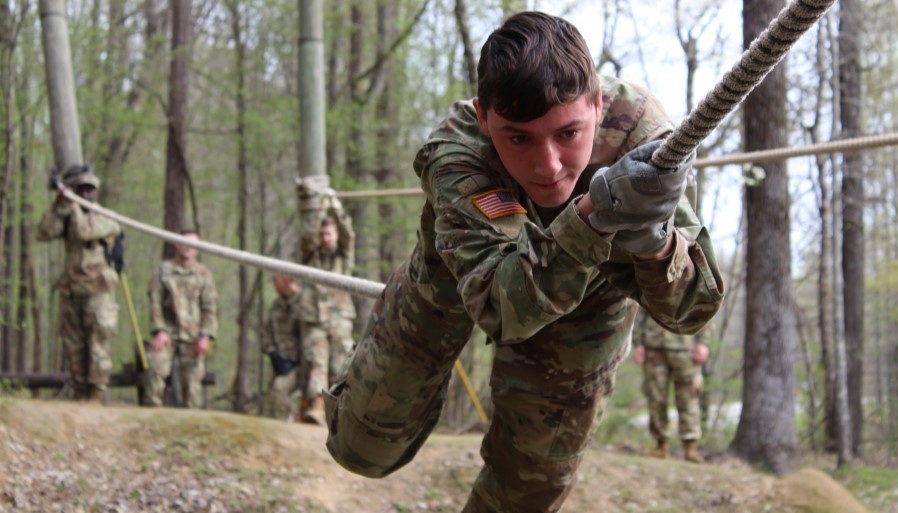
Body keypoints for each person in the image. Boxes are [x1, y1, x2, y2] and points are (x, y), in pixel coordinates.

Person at [323, 11, 724, 513]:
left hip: (592, 300)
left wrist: (655, 244)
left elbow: (692, 310)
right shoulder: (459, 152)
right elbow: (499, 306)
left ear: (598, 105)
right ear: (485, 117)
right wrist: (594, 216)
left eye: (569, 133)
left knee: (529, 490)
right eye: (519, 138)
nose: (549, 164)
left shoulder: (642, 138)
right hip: (458, 276)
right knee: (362, 451)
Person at [37, 167, 123, 403]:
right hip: (72, 289)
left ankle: (95, 396)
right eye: (80, 190)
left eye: (89, 190)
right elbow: (43, 233)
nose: (85, 195)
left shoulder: (108, 218)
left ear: (96, 192)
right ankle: (80, 395)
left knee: (98, 346)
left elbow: (85, 232)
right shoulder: (67, 216)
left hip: (99, 291)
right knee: (74, 345)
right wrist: (58, 204)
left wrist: (72, 204)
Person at [143, 230, 218, 408]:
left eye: (193, 245)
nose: (188, 248)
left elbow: (210, 308)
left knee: (193, 387)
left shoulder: (204, 274)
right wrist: (159, 330)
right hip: (167, 333)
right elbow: (155, 302)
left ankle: (191, 426)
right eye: (184, 243)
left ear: (198, 249)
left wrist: (206, 336)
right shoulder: (162, 270)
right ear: (177, 244)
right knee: (156, 368)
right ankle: (149, 419)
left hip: (193, 337)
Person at [633, 311, 709, 463]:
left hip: (685, 346)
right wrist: (638, 343)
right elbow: (640, 309)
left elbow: (705, 306)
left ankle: (691, 447)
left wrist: (703, 342)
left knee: (688, 397)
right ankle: (661, 446)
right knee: (656, 397)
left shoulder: (692, 285)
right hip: (654, 346)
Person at [262, 272, 330, 423]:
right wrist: (274, 354)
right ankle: (281, 426)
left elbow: (313, 338)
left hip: (303, 364)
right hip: (282, 363)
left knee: (280, 388)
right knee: (276, 393)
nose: (274, 284)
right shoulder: (276, 307)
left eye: (276, 279)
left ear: (287, 279)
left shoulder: (304, 305)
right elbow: (266, 334)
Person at [306, 213, 356, 386]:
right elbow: (307, 235)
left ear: (336, 235)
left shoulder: (343, 256)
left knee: (341, 366)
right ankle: (317, 405)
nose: (325, 238)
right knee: (317, 363)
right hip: (317, 319)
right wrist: (319, 209)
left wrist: (334, 207)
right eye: (322, 235)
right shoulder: (311, 256)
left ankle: (337, 407)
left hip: (340, 318)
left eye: (329, 234)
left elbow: (348, 236)